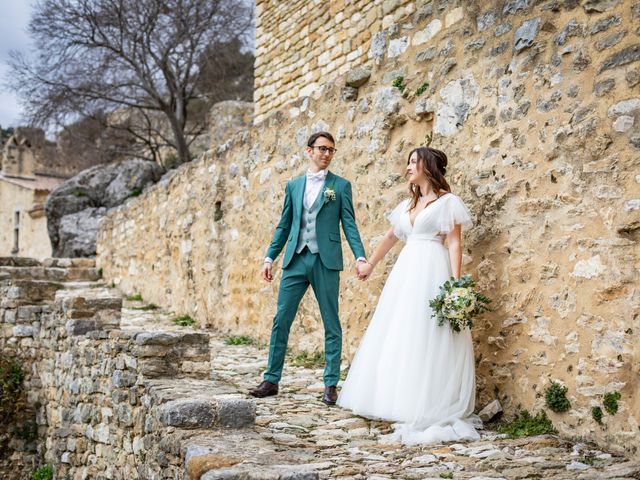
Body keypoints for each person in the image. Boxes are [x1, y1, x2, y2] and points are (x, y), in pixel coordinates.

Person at [340, 146, 481, 445]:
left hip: (432, 270)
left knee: (428, 332)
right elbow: (392, 236)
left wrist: (455, 286)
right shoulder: (408, 204)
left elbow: (454, 243)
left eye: (413, 162)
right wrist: (370, 264)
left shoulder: (448, 202)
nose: (408, 167)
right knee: (401, 331)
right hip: (405, 273)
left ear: (427, 166)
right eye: (408, 162)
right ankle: (395, 399)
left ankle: (426, 400)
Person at [249, 131, 367, 405]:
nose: (327, 154)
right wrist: (270, 258)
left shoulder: (340, 186)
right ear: (309, 151)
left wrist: (359, 256)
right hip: (295, 259)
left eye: (331, 150)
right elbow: (284, 224)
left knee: (331, 322)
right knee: (281, 319)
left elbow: (349, 223)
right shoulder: (293, 185)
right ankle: (271, 379)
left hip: (325, 260)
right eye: (322, 149)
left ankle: (330, 384)